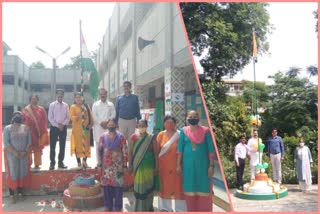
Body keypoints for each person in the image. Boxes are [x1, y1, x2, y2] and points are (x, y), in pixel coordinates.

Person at [176, 110, 214, 212]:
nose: (193, 118)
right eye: (190, 116)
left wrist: (211, 165)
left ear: (198, 118)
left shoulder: (206, 131)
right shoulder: (183, 131)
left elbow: (211, 150)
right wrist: (178, 165)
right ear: (187, 119)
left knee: (203, 190)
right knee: (190, 191)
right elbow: (180, 149)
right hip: (188, 167)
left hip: (203, 166)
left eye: (195, 116)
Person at [156, 115, 186, 212]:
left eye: (171, 122)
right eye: (167, 122)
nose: (169, 124)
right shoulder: (161, 134)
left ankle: (180, 209)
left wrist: (180, 164)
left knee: (178, 187)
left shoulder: (180, 134)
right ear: (164, 124)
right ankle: (165, 208)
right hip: (163, 165)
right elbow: (157, 150)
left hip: (176, 165)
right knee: (165, 187)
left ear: (175, 124)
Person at [97, 119, 128, 211]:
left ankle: (118, 206)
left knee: (118, 186)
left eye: (112, 124)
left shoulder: (121, 137)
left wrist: (125, 165)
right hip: (106, 166)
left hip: (118, 166)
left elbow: (125, 151)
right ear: (107, 126)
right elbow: (99, 151)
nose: (111, 126)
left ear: (116, 125)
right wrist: (99, 164)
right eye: (109, 124)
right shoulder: (102, 137)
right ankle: (108, 205)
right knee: (107, 186)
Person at [128, 119, 158, 211]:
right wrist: (130, 165)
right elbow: (130, 152)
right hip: (138, 166)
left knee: (148, 187)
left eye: (143, 126)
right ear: (137, 127)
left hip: (149, 167)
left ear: (146, 126)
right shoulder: (133, 137)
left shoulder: (151, 138)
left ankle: (148, 207)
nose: (141, 127)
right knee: (139, 187)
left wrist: (157, 167)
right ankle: (139, 208)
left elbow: (156, 153)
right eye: (139, 126)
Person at [3, 112, 32, 204]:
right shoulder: (7, 129)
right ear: (13, 122)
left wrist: (24, 152)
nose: (17, 126)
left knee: (21, 172)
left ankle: (20, 193)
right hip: (11, 155)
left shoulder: (26, 128)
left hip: (23, 155)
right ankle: (12, 195)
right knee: (12, 173)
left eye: (19, 124)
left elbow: (29, 142)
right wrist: (16, 153)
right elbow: (6, 143)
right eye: (16, 124)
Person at [22, 95, 49, 170]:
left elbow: (44, 120)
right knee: (29, 148)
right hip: (28, 133)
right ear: (30, 100)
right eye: (32, 99)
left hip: (38, 132)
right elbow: (23, 119)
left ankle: (37, 164)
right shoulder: (26, 110)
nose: (34, 100)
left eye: (35, 99)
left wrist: (42, 131)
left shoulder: (41, 109)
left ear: (38, 100)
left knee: (38, 148)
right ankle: (28, 164)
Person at [69, 92, 93, 168]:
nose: (79, 99)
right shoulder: (73, 107)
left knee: (86, 145)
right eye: (77, 97)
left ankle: (84, 162)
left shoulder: (86, 106)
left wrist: (90, 125)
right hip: (77, 130)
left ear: (82, 98)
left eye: (80, 97)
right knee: (77, 146)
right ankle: (79, 162)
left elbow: (91, 117)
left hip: (85, 129)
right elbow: (71, 118)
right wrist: (79, 115)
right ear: (75, 99)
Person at [92, 88, 116, 165]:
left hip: (108, 127)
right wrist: (101, 123)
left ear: (106, 94)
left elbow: (113, 114)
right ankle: (99, 162)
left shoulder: (111, 104)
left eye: (104, 94)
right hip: (98, 128)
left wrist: (108, 122)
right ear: (99, 95)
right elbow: (94, 115)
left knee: (108, 144)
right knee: (98, 145)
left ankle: (108, 162)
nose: (102, 95)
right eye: (101, 94)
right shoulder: (95, 104)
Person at [48, 89, 70, 170]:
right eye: (58, 94)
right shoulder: (52, 105)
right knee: (53, 146)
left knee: (62, 146)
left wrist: (63, 124)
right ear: (56, 95)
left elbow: (68, 117)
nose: (60, 96)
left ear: (63, 96)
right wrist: (58, 125)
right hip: (54, 128)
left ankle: (60, 162)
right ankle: (52, 163)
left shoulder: (66, 105)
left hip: (63, 128)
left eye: (61, 94)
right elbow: (50, 117)